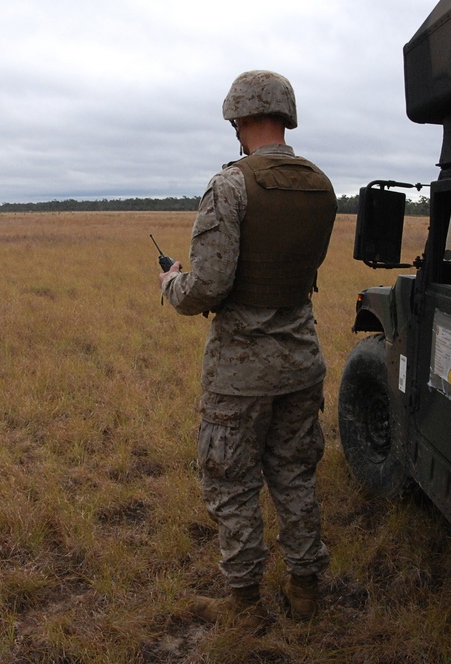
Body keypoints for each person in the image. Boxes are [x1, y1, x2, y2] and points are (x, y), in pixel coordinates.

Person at [158, 70, 337, 628]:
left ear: (239, 119)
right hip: (302, 361)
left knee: (232, 485)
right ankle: (305, 590)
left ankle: (244, 606)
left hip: (240, 376)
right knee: (295, 477)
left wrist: (171, 284)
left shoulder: (230, 185)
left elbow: (207, 287)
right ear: (285, 116)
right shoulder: (321, 185)